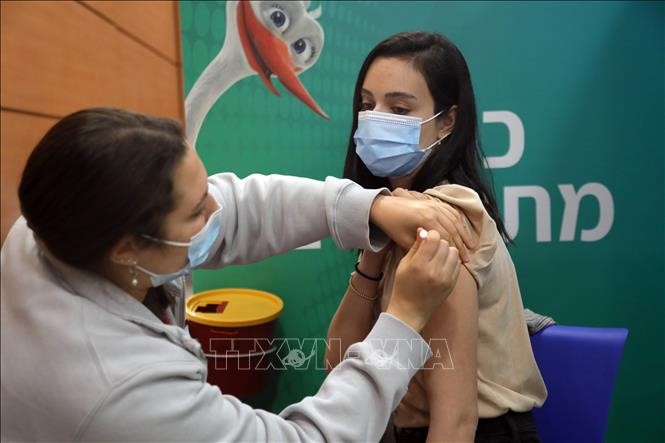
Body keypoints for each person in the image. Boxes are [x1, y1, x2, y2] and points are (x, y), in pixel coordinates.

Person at [0, 107, 474, 442]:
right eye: (196, 211)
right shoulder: (120, 389)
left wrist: (367, 207)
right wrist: (404, 319)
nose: (217, 209)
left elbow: (240, 208)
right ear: (126, 248)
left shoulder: (52, 224)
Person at [326, 32, 547, 443]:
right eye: (367, 105)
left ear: (447, 122)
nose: (375, 119)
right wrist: (372, 251)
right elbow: (339, 365)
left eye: (399, 109)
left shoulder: (444, 218)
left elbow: (456, 422)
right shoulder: (395, 213)